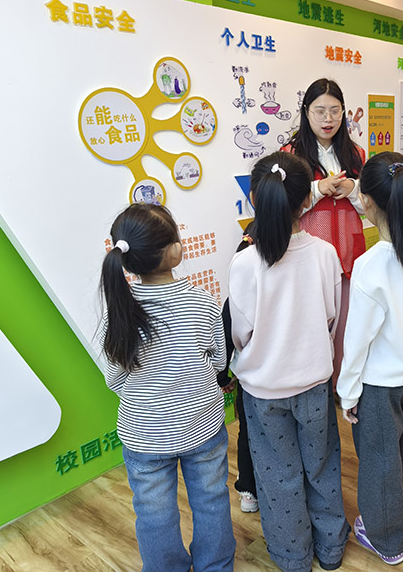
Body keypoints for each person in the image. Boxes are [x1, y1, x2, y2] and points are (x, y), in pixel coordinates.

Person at [228, 152, 349, 572]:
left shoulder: (245, 262)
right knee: (322, 465)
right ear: (307, 200)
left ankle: (292, 557)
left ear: (255, 199)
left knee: (277, 475)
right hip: (314, 383)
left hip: (264, 391)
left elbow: (240, 333)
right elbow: (332, 316)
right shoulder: (325, 254)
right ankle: (331, 548)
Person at [99, 203, 234, 572]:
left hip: (144, 435)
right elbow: (218, 363)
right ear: (175, 250)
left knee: (153, 514)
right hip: (202, 427)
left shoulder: (119, 312)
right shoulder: (202, 303)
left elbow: (114, 379)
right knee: (211, 501)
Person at [336, 152, 403, 565]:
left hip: (380, 385)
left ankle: (387, 539)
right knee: (399, 454)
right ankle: (387, 516)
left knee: (379, 464)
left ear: (366, 201)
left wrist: (347, 394)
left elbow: (357, 341)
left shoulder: (371, 264)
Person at [282, 78, 367, 382]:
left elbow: (369, 207)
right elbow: (284, 205)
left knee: (346, 325)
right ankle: (315, 385)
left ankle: (341, 385)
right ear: (306, 112)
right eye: (319, 111)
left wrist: (353, 188)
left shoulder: (356, 154)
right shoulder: (290, 153)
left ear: (343, 112)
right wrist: (317, 189)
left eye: (334, 110)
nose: (327, 119)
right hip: (308, 254)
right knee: (312, 325)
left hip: (349, 254)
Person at [216, 223, 258, 514]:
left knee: (247, 434)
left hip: (246, 380)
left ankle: (248, 491)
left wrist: (224, 377)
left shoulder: (233, 301)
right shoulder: (280, 291)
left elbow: (224, 343)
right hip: (274, 380)